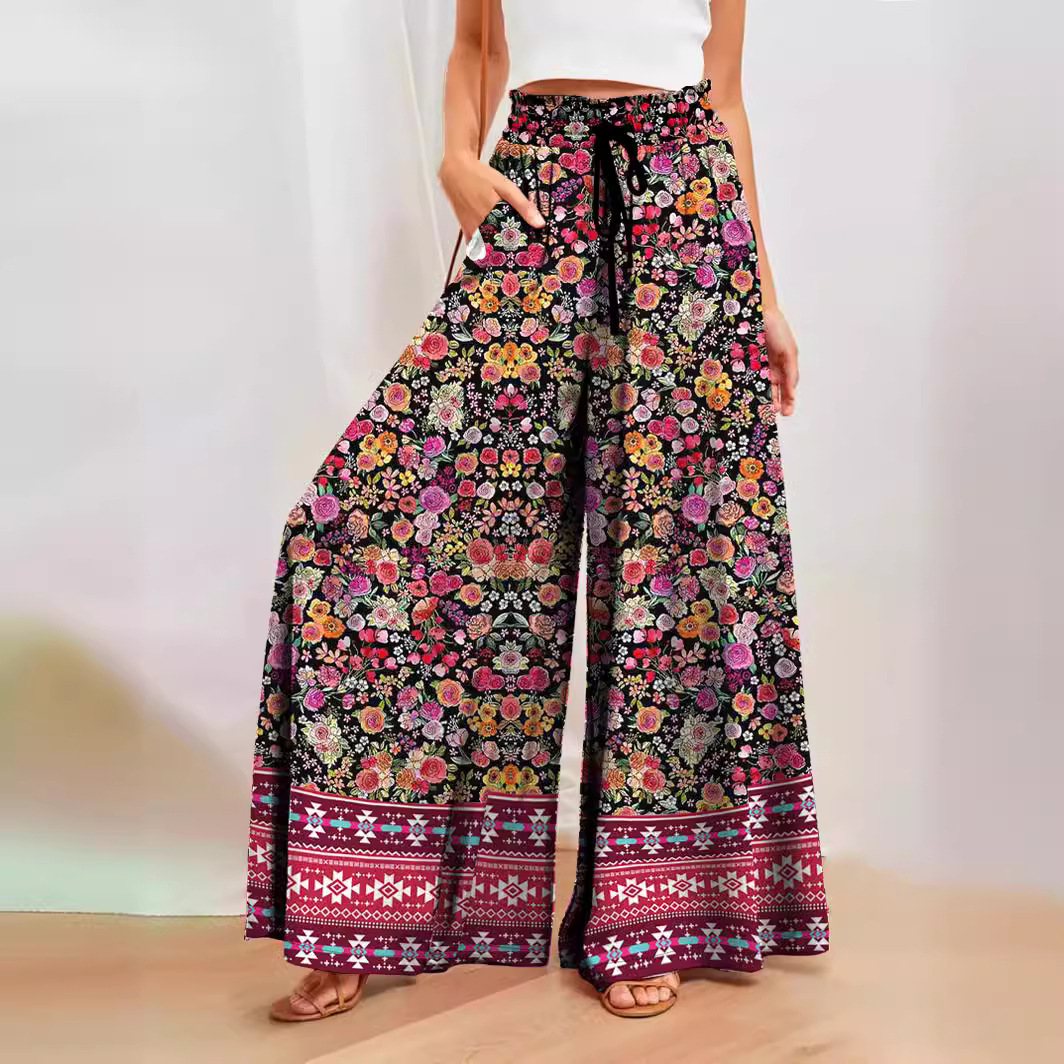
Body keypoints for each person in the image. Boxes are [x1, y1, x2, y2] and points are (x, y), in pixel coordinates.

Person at [246, 0, 829, 1022]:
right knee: (356, 524)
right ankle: (363, 909)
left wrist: (765, 297)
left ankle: (649, 914)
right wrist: (455, 159)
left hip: (687, 214)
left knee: (672, 563)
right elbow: (477, 45)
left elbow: (726, 99)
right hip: (535, 190)